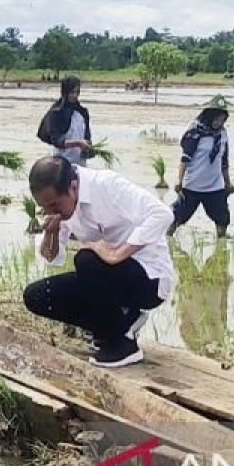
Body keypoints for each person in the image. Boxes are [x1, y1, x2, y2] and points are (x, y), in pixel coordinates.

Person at [23, 156, 175, 368]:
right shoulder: (61, 208)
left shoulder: (106, 185)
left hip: (150, 279)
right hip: (109, 278)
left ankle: (124, 342)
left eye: (54, 205)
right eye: (44, 207)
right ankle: (110, 328)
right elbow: (52, 258)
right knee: (37, 296)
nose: (51, 212)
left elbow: (162, 214)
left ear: (73, 188)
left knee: (86, 260)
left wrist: (118, 253)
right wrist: (51, 234)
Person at [167, 95, 233, 238]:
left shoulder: (222, 135)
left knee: (223, 218)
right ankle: (167, 239)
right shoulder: (195, 133)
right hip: (192, 186)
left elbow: (224, 162)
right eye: (216, 119)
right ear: (209, 116)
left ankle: (221, 243)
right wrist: (179, 180)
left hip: (214, 186)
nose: (219, 123)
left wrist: (228, 183)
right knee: (177, 217)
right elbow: (185, 158)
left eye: (222, 120)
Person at [37, 75, 92, 166]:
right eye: (72, 92)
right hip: (60, 163)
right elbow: (57, 141)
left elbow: (87, 136)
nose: (74, 95)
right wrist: (78, 143)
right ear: (65, 93)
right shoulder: (56, 114)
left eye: (77, 92)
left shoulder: (82, 112)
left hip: (80, 163)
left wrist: (87, 148)